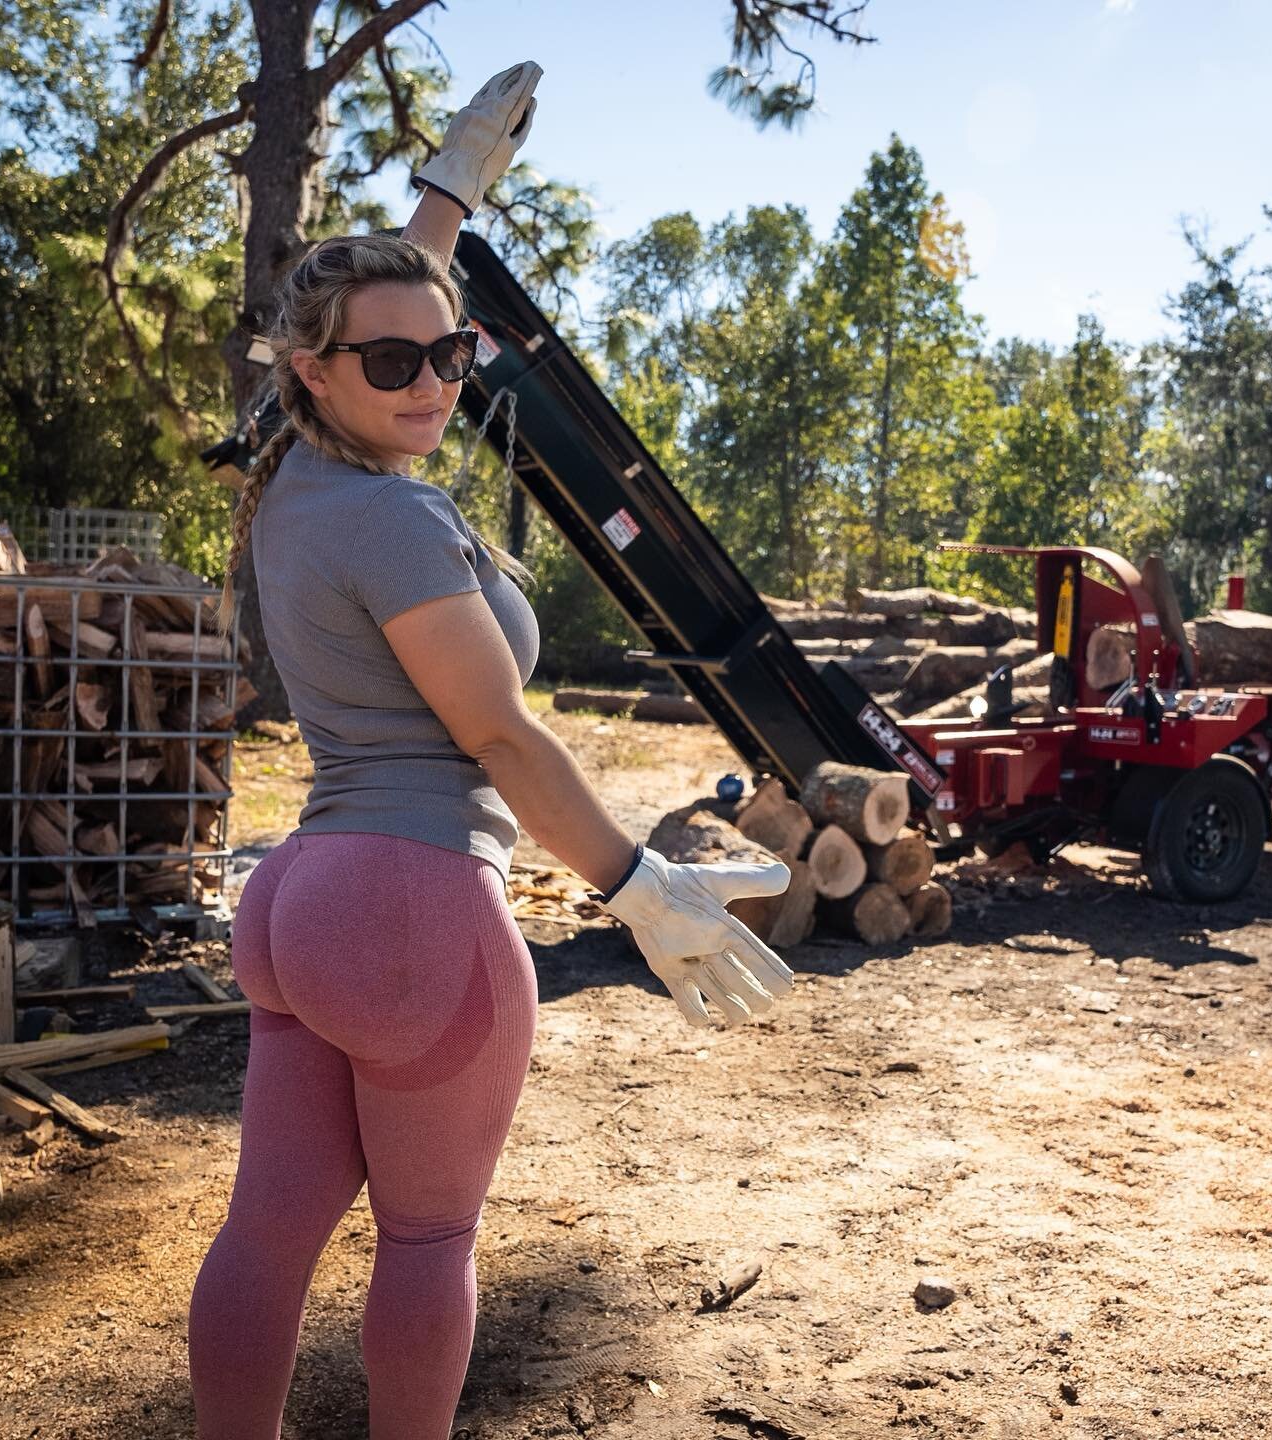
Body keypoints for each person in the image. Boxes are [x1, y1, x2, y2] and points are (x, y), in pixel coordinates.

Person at [187, 61, 796, 1440]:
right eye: (392, 363)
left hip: (295, 904)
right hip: (412, 910)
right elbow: (501, 732)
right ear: (311, 374)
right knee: (424, 1243)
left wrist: (452, 187)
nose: (430, 383)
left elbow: (390, 300)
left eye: (451, 355)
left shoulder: (297, 473)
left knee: (270, 1232)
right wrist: (637, 884)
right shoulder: (395, 524)